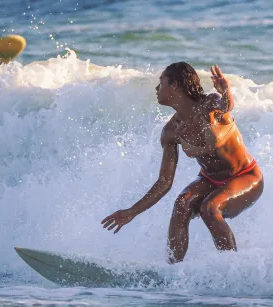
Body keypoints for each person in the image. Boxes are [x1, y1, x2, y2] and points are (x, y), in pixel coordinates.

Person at [101, 62, 264, 263]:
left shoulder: (209, 105)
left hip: (245, 176)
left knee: (209, 207)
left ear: (175, 85)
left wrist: (226, 90)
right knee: (182, 203)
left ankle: (232, 270)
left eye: (161, 82)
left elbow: (227, 105)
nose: (156, 88)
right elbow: (164, 182)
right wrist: (132, 212)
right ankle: (173, 270)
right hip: (210, 180)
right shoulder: (170, 132)